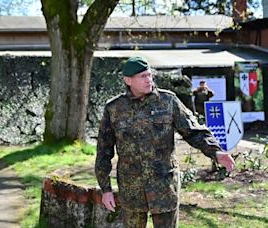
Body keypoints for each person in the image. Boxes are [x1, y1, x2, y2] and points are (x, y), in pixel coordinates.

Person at [95, 56, 235, 227]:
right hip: (132, 189)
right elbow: (104, 150)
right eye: (142, 76)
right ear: (128, 80)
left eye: (149, 75)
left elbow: (193, 132)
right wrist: (106, 189)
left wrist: (216, 152)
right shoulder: (114, 108)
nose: (149, 80)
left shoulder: (168, 101)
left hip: (164, 187)